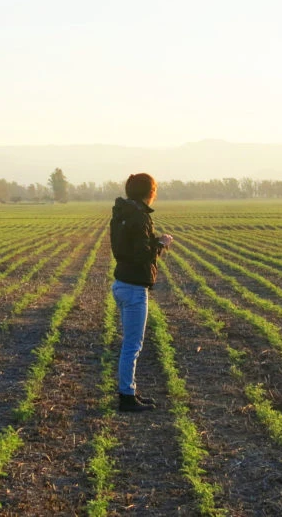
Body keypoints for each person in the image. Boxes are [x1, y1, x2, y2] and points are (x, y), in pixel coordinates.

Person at [110, 173, 173, 412]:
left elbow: (128, 247)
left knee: (130, 343)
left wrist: (153, 243)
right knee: (132, 345)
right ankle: (126, 396)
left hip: (121, 283)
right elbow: (142, 254)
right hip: (134, 287)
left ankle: (130, 391)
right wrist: (161, 244)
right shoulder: (140, 217)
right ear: (151, 192)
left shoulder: (122, 213)